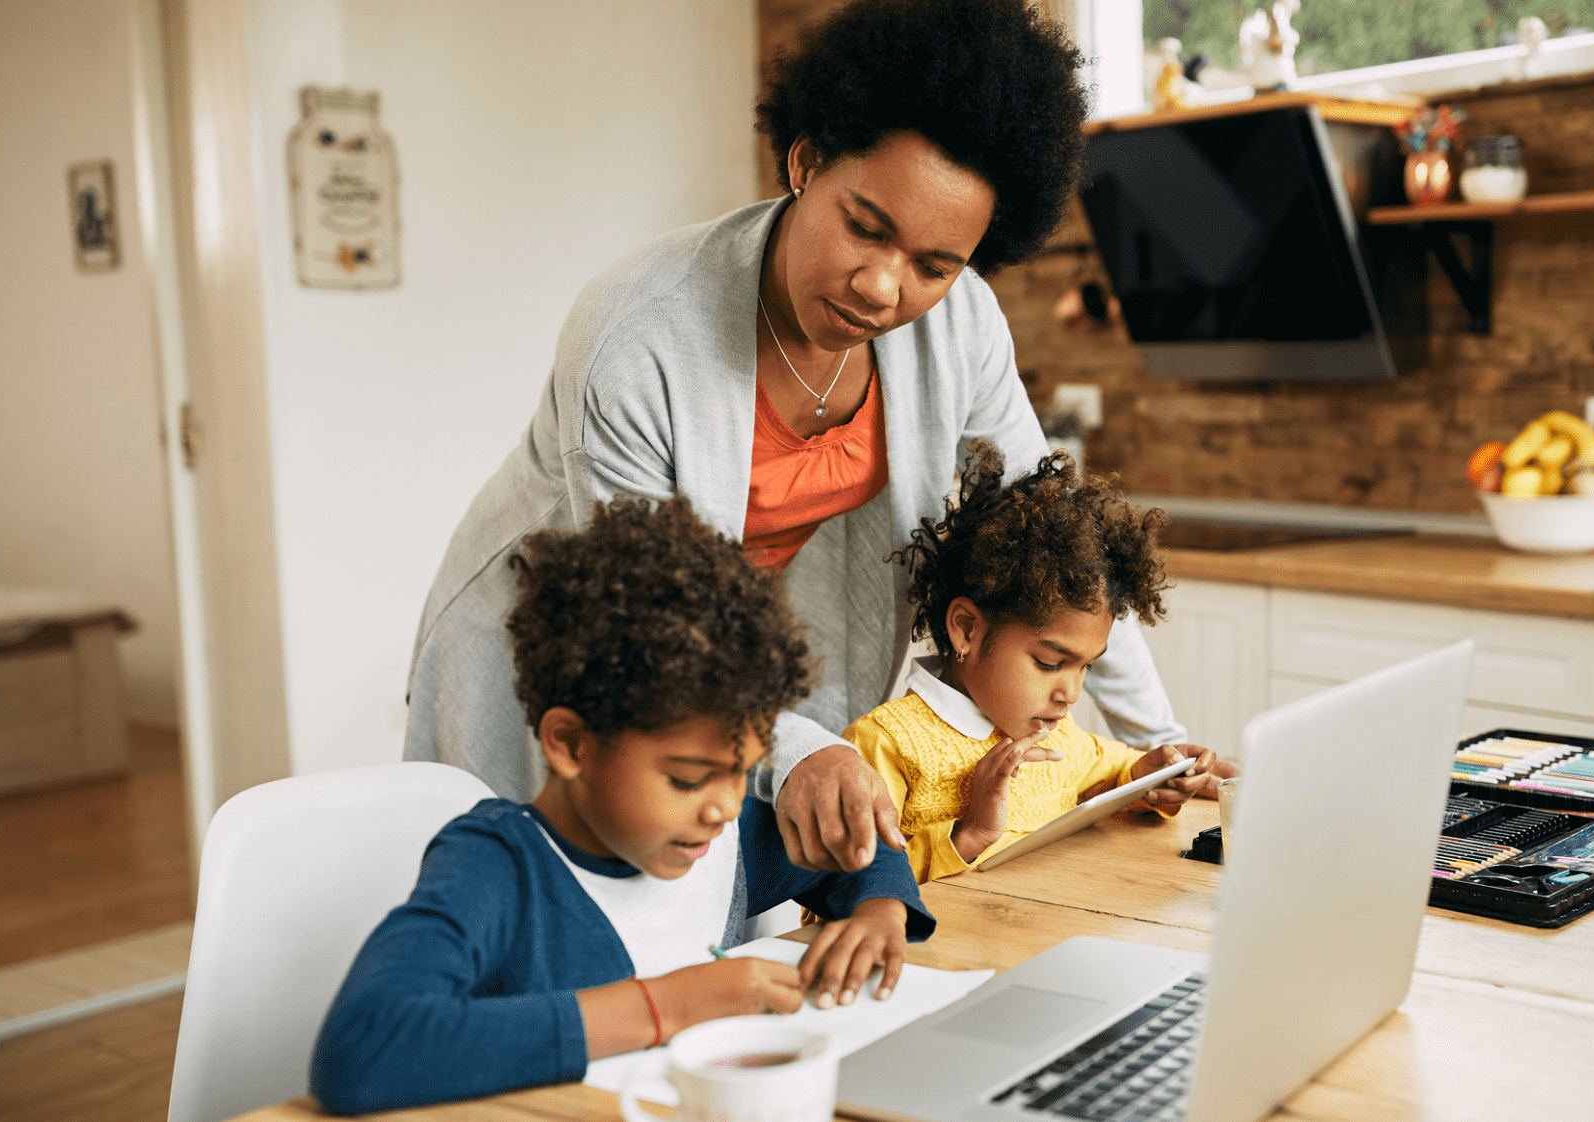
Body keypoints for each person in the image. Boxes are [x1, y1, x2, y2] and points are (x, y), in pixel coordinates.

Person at [405, 0, 1205, 876]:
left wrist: (1158, 746)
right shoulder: (636, 342)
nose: (881, 286)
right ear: (806, 160)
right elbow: (652, 613)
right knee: (548, 909)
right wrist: (796, 749)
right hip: (572, 637)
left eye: (936, 266)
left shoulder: (960, 326)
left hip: (735, 644)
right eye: (866, 225)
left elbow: (1069, 551)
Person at [312, 496, 930, 1116]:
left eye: (743, 772)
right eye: (690, 779)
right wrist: (665, 1005)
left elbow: (854, 852)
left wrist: (879, 914)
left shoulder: (719, 840)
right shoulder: (500, 869)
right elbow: (363, 1046)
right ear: (572, 744)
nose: (726, 806)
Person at [845, 444, 1218, 883]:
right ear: (966, 629)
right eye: (1048, 663)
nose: (1072, 694)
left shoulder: (1059, 735)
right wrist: (969, 835)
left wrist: (1154, 776)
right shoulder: (883, 745)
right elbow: (841, 897)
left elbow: (1114, 773)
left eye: (1086, 667)